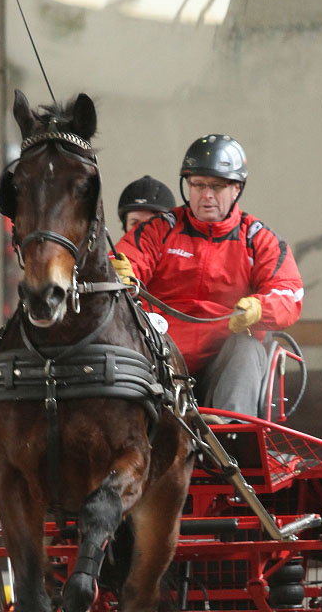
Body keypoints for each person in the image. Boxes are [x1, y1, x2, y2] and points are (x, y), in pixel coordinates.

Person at [113, 134, 304, 419]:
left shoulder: (258, 239)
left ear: (237, 189)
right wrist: (120, 273)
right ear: (187, 185)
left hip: (224, 359)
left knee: (249, 347)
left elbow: (289, 292)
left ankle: (228, 434)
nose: (206, 195)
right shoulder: (159, 230)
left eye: (216, 186)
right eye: (198, 185)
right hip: (161, 355)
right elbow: (124, 260)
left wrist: (259, 308)